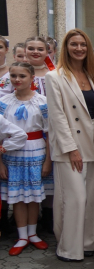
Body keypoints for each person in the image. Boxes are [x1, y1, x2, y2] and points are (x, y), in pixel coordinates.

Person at [46, 29, 94, 262]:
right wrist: (71, 148)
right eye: (73, 44)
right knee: (74, 198)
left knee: (91, 199)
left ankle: (89, 242)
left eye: (82, 44)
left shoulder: (91, 76)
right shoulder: (54, 76)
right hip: (70, 147)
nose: (78, 48)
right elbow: (57, 117)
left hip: (93, 145)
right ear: (66, 48)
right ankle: (69, 248)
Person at [0, 63, 51, 255]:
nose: (17, 80)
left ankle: (33, 234)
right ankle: (22, 236)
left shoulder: (42, 101)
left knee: (33, 196)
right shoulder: (4, 102)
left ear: (32, 78)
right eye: (13, 76)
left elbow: (49, 133)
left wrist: (48, 160)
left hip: (36, 150)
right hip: (11, 152)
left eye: (22, 76)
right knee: (18, 196)